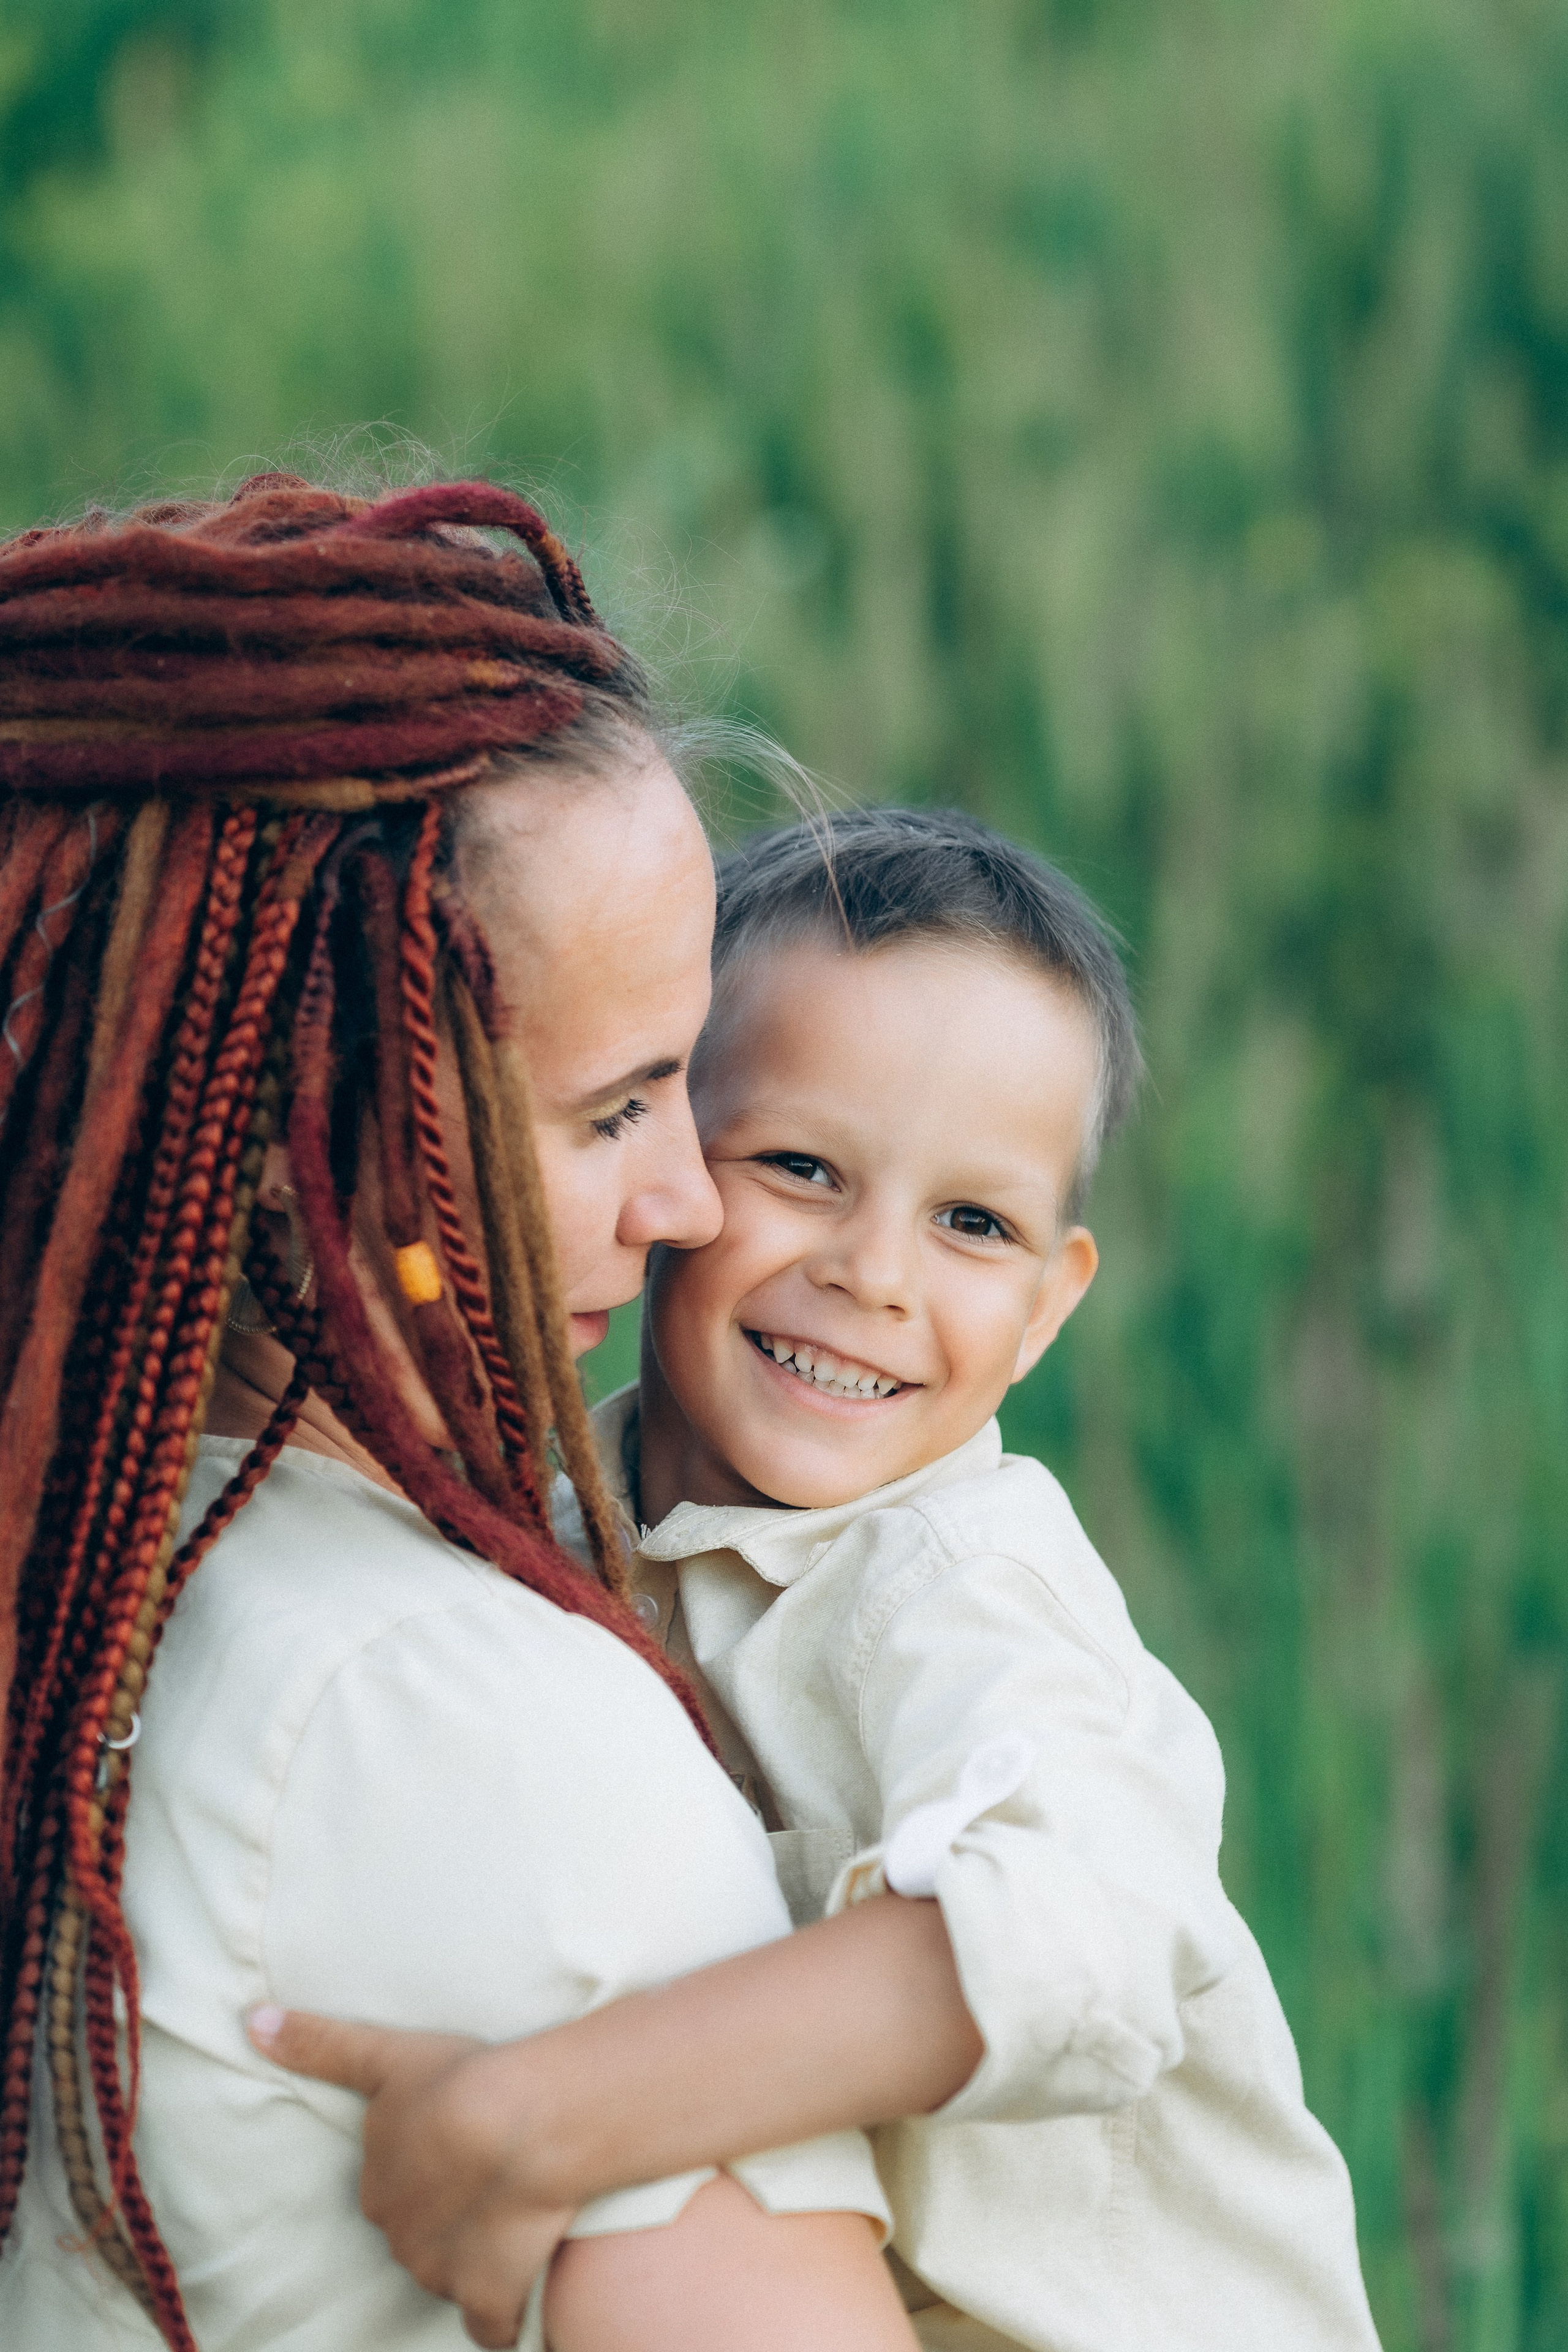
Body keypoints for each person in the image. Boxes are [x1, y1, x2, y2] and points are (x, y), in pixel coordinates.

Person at [0, 476, 967, 2352]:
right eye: (614, 1110)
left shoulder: (81, 1573)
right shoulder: (477, 1737)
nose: (687, 1202)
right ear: (306, 1133)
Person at [261, 810, 1384, 2352]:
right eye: (798, 1165)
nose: (875, 1273)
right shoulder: (545, 1520)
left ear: (1051, 1305)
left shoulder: (956, 1592)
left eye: (971, 1222)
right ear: (659, 1161)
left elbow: (1079, 1944)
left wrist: (538, 2116)